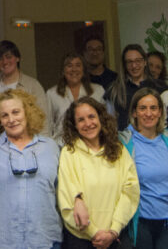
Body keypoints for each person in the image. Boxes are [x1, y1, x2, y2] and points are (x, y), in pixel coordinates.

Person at [0, 89, 62, 248]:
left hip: (44, 239)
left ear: (27, 112)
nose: (11, 119)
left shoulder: (51, 147)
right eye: (4, 115)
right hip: (1, 240)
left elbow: (66, 187)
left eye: (16, 112)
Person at [58, 96, 139, 249]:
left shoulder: (119, 150)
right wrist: (94, 233)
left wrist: (114, 230)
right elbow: (66, 196)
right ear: (74, 125)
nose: (88, 123)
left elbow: (130, 192)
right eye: (81, 120)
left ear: (101, 118)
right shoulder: (69, 153)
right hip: (81, 240)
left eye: (91, 116)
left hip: (116, 237)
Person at [119, 88, 168, 249]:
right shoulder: (123, 141)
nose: (148, 113)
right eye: (143, 108)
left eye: (153, 108)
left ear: (160, 112)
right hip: (140, 221)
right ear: (134, 112)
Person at [0, 40, 50, 135]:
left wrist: (43, 145)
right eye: (0, 59)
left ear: (17, 58)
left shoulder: (33, 85)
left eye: (8, 57)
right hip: (0, 145)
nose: (5, 61)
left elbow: (44, 120)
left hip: (30, 143)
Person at [45, 52, 104, 144]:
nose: (74, 69)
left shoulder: (98, 91)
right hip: (62, 144)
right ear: (63, 71)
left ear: (83, 70)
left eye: (78, 65)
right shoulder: (52, 94)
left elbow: (105, 120)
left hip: (92, 143)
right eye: (69, 65)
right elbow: (47, 125)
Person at [106, 44, 160, 131]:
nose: (134, 66)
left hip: (154, 139)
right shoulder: (114, 90)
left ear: (145, 62)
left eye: (138, 61)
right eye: (129, 62)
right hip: (126, 141)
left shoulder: (159, 87)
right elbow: (110, 122)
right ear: (125, 65)